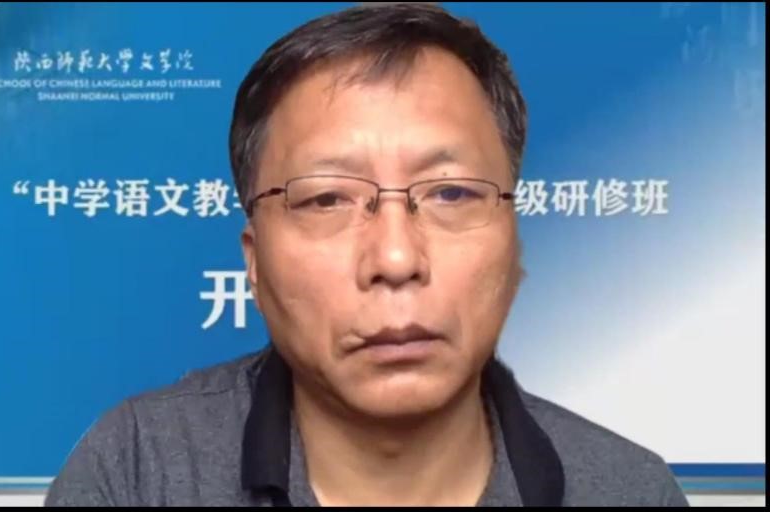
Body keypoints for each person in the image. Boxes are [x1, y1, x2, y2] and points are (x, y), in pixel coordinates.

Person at [45, 3, 689, 506]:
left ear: (514, 239)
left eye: (451, 192)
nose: (396, 257)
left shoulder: (628, 491)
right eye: (327, 199)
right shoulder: (137, 471)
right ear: (254, 262)